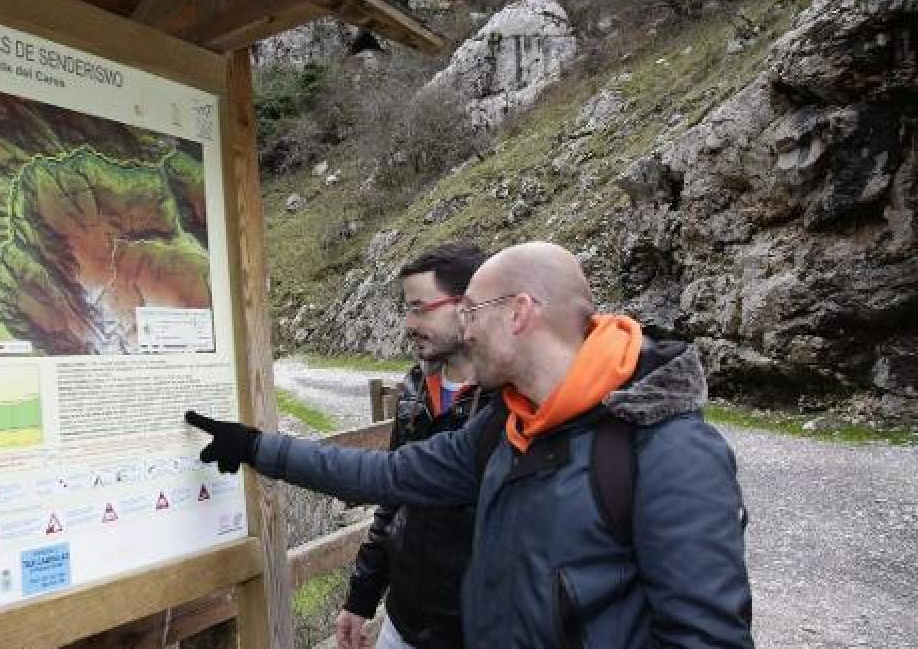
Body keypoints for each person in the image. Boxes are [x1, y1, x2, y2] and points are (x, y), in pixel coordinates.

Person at [187, 241, 753, 649]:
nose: (466, 329)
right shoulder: (503, 425)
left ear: (520, 312)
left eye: (472, 312)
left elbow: (706, 636)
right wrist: (259, 447)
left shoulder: (669, 450)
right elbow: (389, 476)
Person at [337, 242, 494, 649]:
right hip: (403, 622)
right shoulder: (415, 389)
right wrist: (361, 598)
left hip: (476, 631)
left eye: (419, 307)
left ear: (467, 306)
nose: (408, 323)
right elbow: (392, 499)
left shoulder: (510, 399)